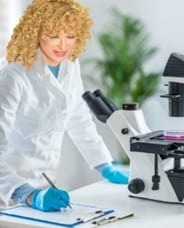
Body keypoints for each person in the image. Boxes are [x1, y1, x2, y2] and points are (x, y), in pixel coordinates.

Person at [0, 0, 128, 212]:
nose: (63, 45)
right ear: (36, 33)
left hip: (45, 181)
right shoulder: (13, 75)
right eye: (54, 36)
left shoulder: (69, 64)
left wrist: (104, 166)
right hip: (8, 189)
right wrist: (28, 194)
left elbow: (77, 117)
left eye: (70, 36)